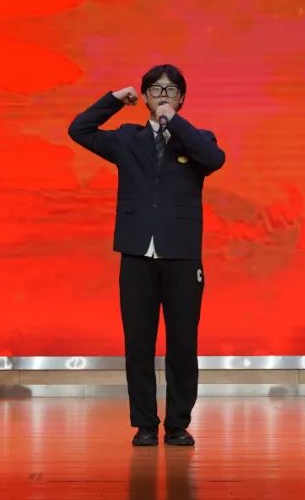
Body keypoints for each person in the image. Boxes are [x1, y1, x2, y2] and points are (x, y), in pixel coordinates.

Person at [69, 65, 225, 446]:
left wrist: (175, 122)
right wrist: (113, 100)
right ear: (144, 97)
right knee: (138, 342)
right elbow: (79, 130)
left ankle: (178, 423)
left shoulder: (197, 139)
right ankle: (144, 423)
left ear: (181, 98)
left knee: (182, 343)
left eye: (170, 90)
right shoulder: (128, 139)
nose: (163, 95)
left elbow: (214, 158)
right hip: (137, 252)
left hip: (181, 255)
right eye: (155, 89)